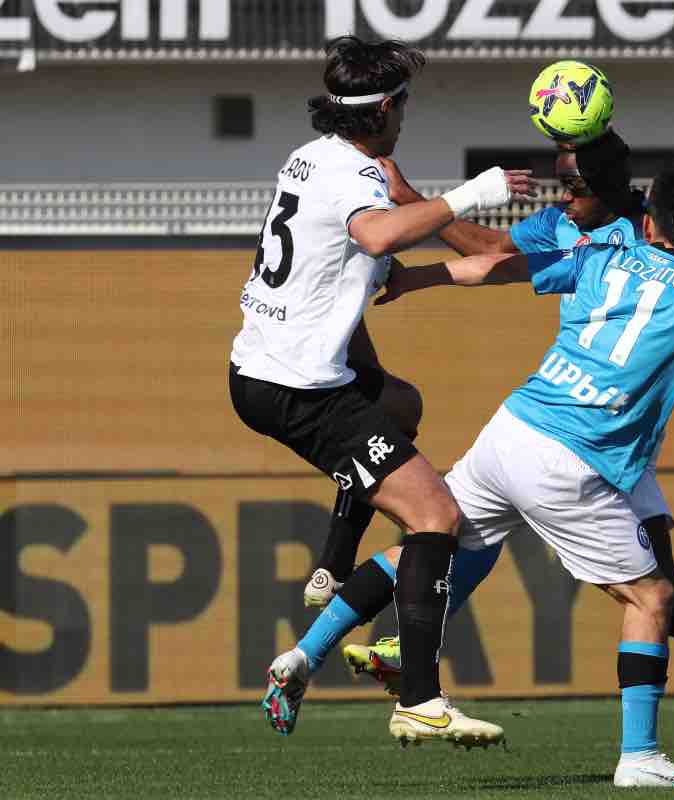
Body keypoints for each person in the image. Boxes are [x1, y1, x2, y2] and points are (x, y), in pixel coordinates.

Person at [288, 168, 674, 785]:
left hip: (511, 430)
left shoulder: (602, 256)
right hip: (574, 460)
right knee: (653, 599)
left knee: (430, 540)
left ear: (649, 222)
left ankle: (302, 655)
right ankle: (640, 758)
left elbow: (494, 266)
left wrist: (412, 278)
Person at [303, 128, 674, 604]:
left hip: (621, 430)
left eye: (574, 186)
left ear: (608, 187)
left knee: (663, 599)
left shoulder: (652, 228)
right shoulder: (557, 223)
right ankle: (375, 640)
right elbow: (489, 253)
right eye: (561, 184)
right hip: (574, 422)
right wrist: (409, 198)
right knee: (649, 596)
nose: (564, 197)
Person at [228, 34, 534, 746]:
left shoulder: (316, 158)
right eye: (404, 101)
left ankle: (337, 562)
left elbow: (453, 243)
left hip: (271, 366)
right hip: (299, 387)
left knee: (403, 406)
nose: (408, 113)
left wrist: (439, 211)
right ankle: (421, 698)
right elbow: (376, 237)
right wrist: (472, 192)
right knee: (436, 516)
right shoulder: (355, 182)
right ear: (385, 108)